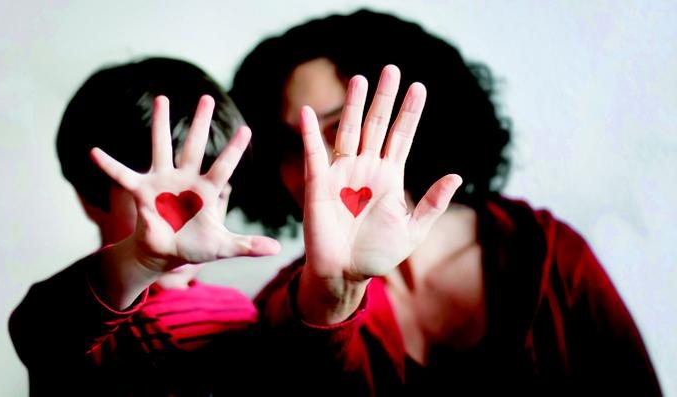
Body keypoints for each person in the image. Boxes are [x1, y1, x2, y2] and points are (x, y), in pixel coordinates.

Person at [230, 9, 662, 395]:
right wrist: (332, 301)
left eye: (338, 126)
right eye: (290, 145)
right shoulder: (288, 305)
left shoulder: (546, 254)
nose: (315, 162)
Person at [9, 57, 280, 396]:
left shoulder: (238, 310)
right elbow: (38, 328)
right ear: (91, 198)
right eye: (168, 197)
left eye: (216, 194)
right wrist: (143, 260)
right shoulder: (77, 316)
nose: (191, 217)